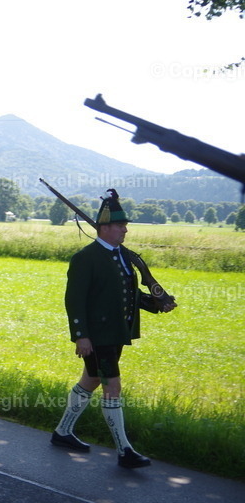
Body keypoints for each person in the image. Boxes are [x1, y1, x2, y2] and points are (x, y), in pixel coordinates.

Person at [50, 189, 175, 468]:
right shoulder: (86, 257)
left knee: (91, 380)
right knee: (112, 386)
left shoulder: (122, 257)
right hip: (97, 336)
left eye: (125, 226)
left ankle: (62, 432)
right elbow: (75, 300)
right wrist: (81, 335)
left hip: (117, 333)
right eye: (120, 226)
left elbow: (127, 294)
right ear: (104, 228)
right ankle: (124, 450)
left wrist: (157, 304)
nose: (125, 230)